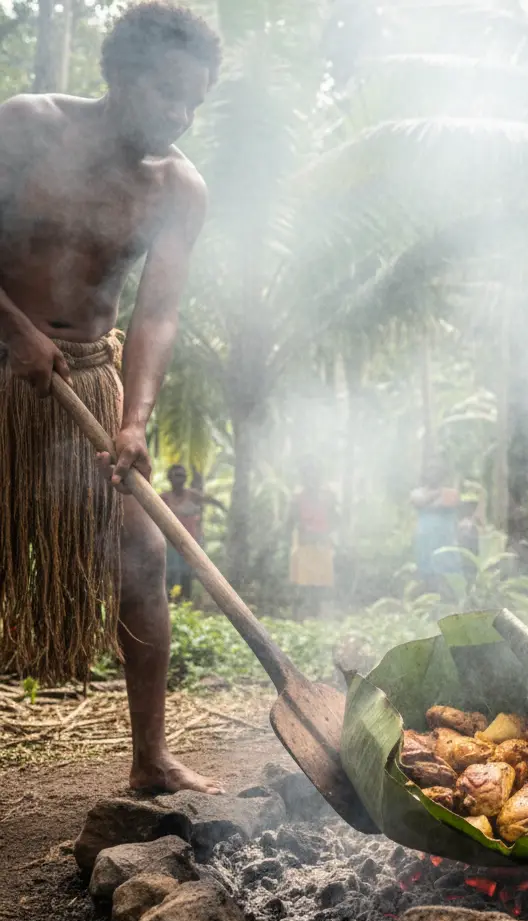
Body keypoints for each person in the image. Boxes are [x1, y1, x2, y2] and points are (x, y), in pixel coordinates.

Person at [0, 3, 222, 793]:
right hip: (2, 364)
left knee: (143, 554)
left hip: (90, 378)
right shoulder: (25, 127)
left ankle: (150, 760)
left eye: (194, 101)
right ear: (120, 76)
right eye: (168, 93)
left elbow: (156, 313)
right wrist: (13, 329)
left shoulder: (179, 189)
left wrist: (134, 419)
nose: (180, 115)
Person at [159, 463, 225, 601]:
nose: (180, 479)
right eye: (177, 475)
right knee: (171, 573)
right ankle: (171, 602)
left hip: (189, 543)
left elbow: (209, 500)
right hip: (171, 544)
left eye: (183, 475)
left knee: (187, 574)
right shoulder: (164, 498)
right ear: (170, 478)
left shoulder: (192, 495)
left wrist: (225, 510)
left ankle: (185, 602)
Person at [288, 478, 337, 619]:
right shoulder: (298, 497)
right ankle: (300, 616)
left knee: (319, 585)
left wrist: (324, 532)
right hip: (304, 544)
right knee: (302, 584)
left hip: (321, 544)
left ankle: (315, 615)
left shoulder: (327, 496)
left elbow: (335, 518)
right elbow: (291, 520)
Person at [410, 459, 461, 591]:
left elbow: (447, 503)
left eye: (437, 471)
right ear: (426, 474)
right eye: (431, 471)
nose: (434, 474)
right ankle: (427, 594)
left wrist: (429, 501)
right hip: (425, 537)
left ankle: (447, 597)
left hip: (445, 537)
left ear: (443, 475)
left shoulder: (451, 493)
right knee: (425, 566)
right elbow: (419, 501)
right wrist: (438, 494)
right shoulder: (417, 492)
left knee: (446, 567)